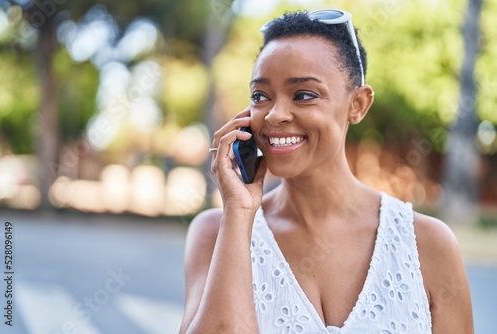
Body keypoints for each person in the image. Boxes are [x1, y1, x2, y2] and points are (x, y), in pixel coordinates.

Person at [179, 9, 474, 334]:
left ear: (357, 104)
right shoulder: (215, 233)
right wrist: (238, 212)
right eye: (260, 96)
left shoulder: (429, 245)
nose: (275, 115)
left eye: (304, 95)